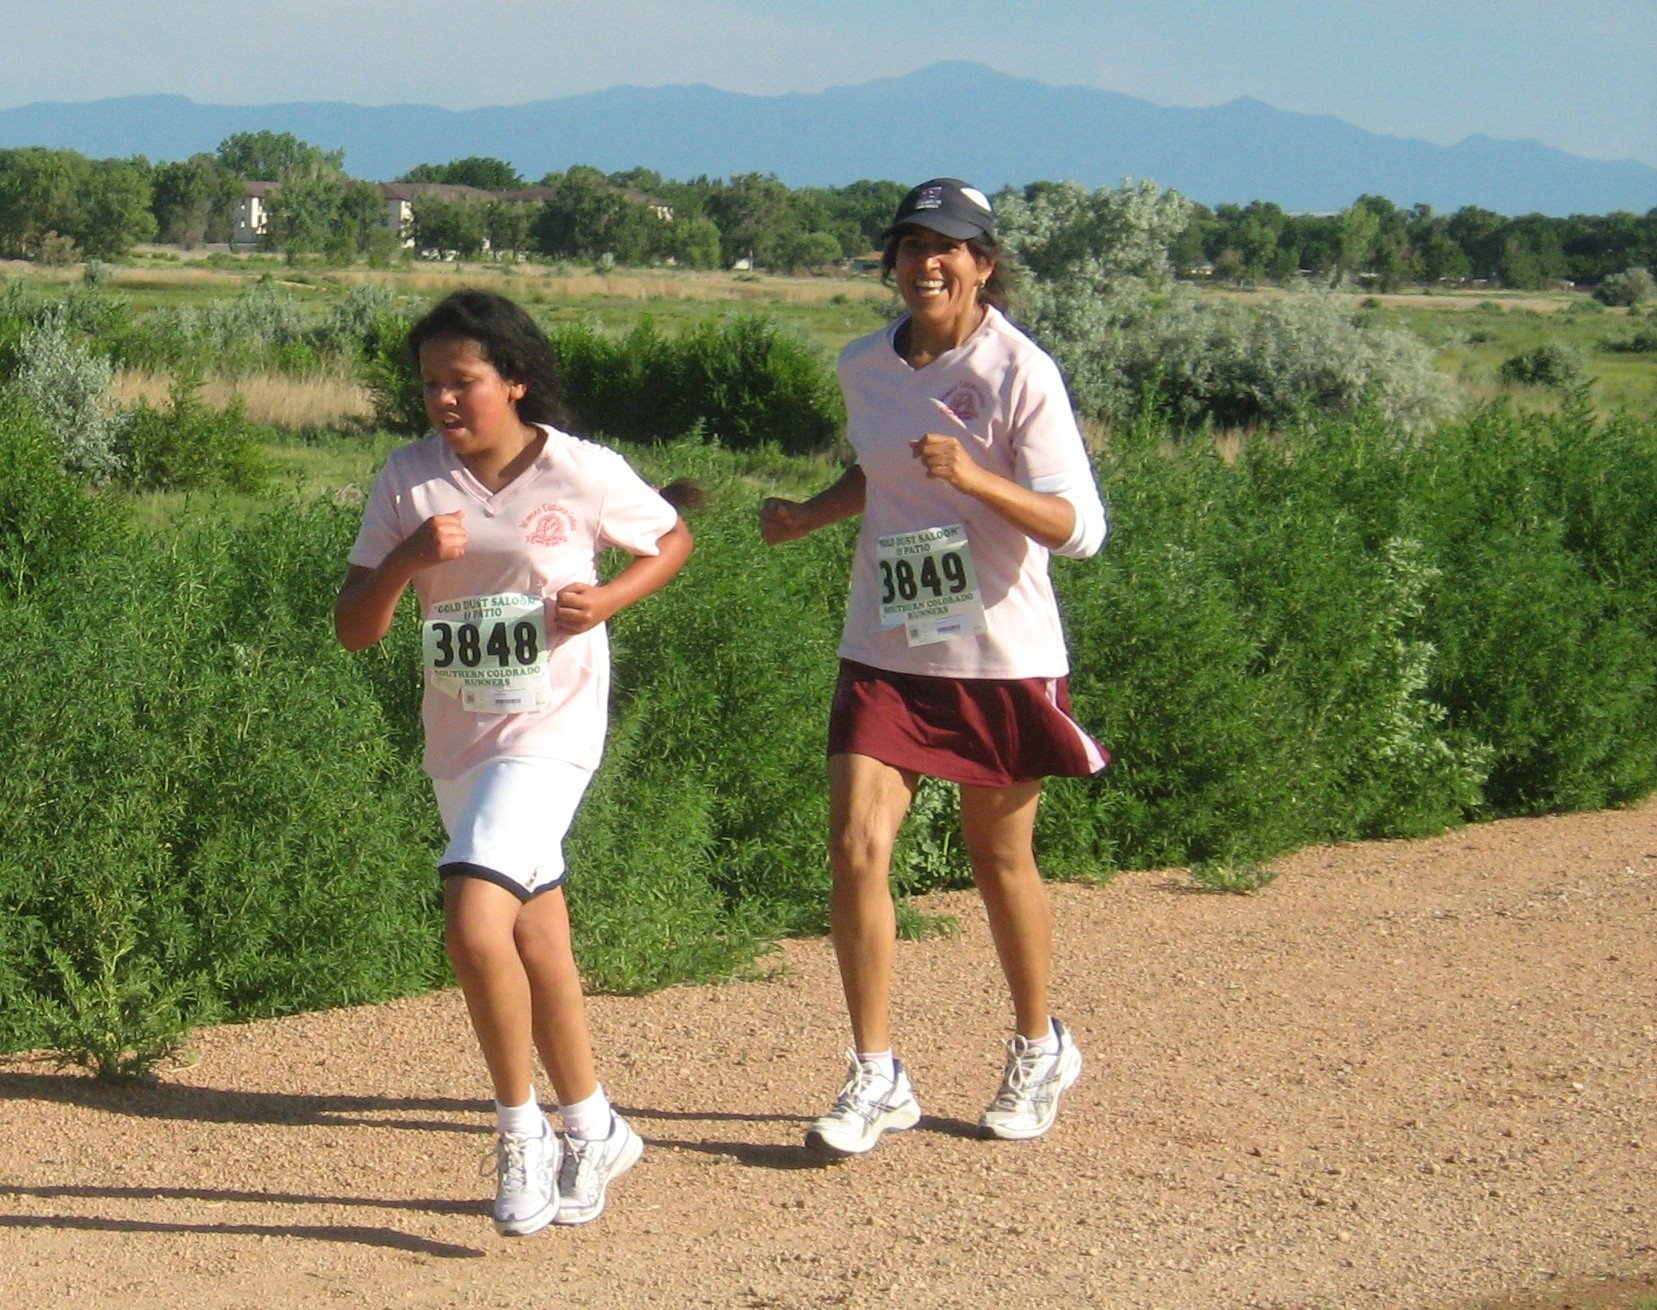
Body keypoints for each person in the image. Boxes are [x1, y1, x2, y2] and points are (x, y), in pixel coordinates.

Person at [759, 178, 1109, 1156]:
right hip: (887, 641)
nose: (927, 262)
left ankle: (1039, 1044)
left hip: (999, 651)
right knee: (857, 846)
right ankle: (876, 1072)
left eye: (948, 247)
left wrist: (975, 476)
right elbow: (879, 468)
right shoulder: (863, 364)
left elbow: (1080, 528)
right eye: (911, 246)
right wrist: (809, 513)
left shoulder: (1019, 372)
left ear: (984, 262)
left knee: (997, 857)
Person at [335, 289, 693, 1232]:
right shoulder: (407, 480)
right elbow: (353, 631)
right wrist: (407, 556)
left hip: (552, 730)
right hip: (459, 738)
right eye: (430, 386)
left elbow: (670, 538)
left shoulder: (579, 470)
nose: (445, 402)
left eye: (465, 383)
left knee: (471, 916)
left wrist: (610, 600)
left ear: (515, 381)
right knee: (536, 934)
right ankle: (594, 1125)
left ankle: (519, 1129)